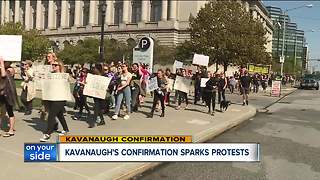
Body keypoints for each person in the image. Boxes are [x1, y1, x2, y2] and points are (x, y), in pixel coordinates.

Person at [40, 60, 69, 142]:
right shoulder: (50, 75)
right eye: (53, 65)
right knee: (59, 114)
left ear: (60, 66)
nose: (54, 66)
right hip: (52, 97)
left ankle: (47, 133)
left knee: (51, 116)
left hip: (60, 98)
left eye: (56, 65)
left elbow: (68, 82)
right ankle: (66, 129)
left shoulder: (63, 76)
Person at [0, 58, 18, 137]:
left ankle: (11, 130)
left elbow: (3, 75)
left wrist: (1, 63)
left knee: (10, 111)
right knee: (1, 112)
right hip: (1, 93)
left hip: (8, 94)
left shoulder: (11, 69)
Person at [88, 64, 106, 128]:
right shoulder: (93, 76)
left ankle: (93, 122)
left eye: (94, 68)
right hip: (95, 93)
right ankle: (102, 120)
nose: (93, 69)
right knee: (97, 107)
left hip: (100, 93)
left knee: (96, 107)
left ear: (98, 69)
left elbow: (106, 84)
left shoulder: (103, 76)